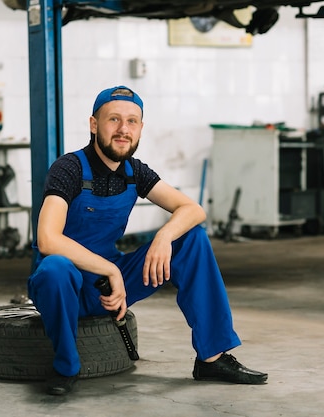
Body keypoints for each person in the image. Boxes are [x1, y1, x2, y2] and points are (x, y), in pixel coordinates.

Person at [27, 85, 267, 395]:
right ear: (93, 124)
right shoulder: (69, 169)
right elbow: (48, 239)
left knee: (191, 238)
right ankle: (66, 366)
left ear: (140, 128)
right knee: (55, 267)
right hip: (65, 285)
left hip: (111, 288)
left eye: (132, 121)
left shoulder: (134, 172)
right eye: (113, 119)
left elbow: (192, 209)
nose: (123, 129)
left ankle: (212, 357)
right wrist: (110, 271)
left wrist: (164, 237)